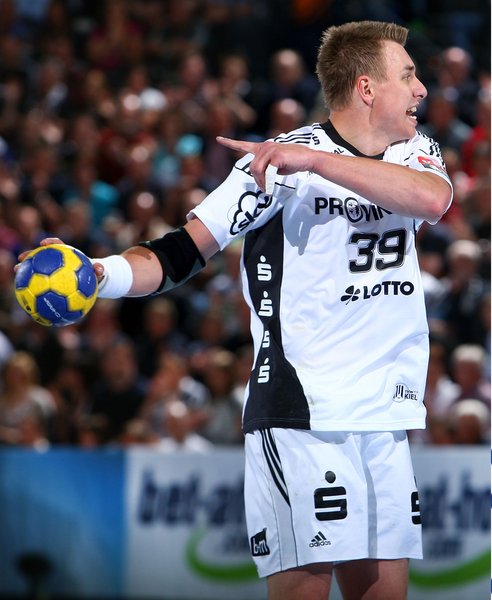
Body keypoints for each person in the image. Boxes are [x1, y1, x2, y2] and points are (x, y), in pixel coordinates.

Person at [19, 21, 453, 600]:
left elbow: (432, 199)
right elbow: (180, 252)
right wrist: (101, 273)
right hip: (303, 414)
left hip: (384, 416)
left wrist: (315, 162)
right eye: (408, 75)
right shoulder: (273, 166)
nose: (422, 89)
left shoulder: (411, 152)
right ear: (367, 87)